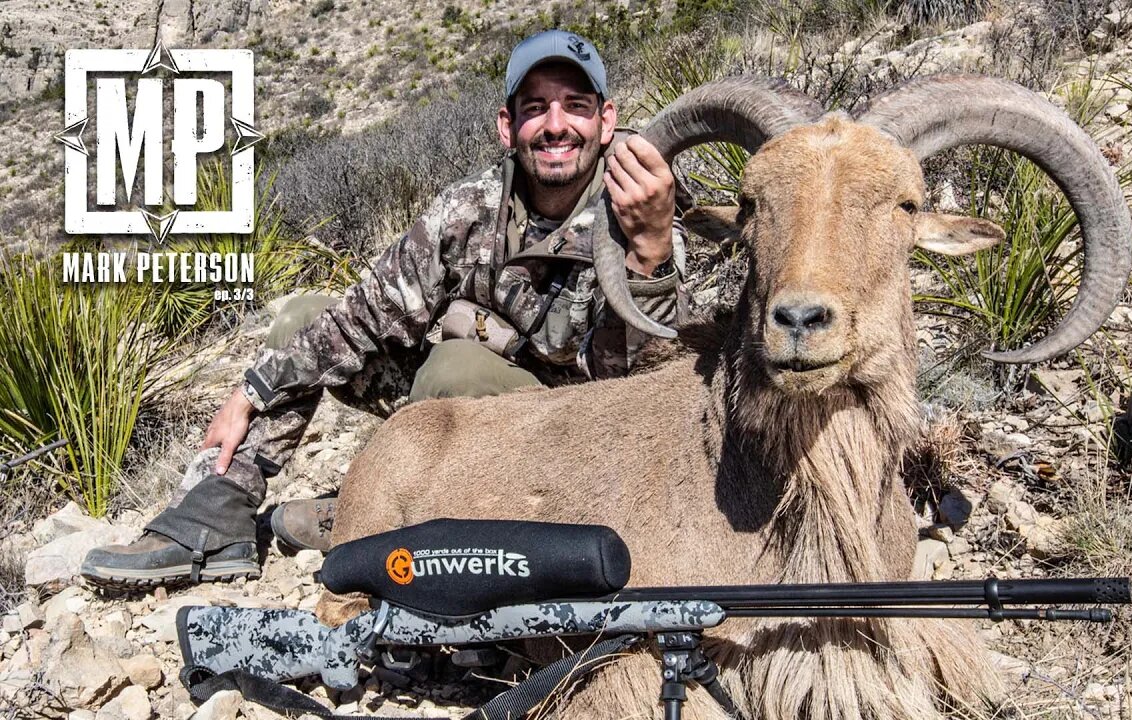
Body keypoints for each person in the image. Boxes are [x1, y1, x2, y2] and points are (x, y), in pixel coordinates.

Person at [81, 30, 687, 591]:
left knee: (456, 372)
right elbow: (361, 314)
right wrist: (251, 391)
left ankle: (387, 515)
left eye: (576, 105)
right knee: (306, 320)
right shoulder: (470, 209)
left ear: (606, 119)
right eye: (535, 108)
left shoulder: (642, 204)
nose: (556, 126)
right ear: (507, 127)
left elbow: (641, 393)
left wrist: (649, 254)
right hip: (452, 421)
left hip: (567, 453)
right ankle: (218, 516)